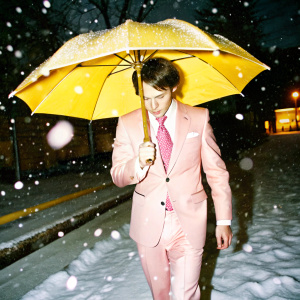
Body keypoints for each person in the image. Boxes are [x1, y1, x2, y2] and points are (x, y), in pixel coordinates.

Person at [110, 57, 233, 299]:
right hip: (148, 225)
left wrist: (223, 220)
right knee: (161, 294)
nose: (153, 105)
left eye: (160, 96)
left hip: (188, 221)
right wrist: (137, 162)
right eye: (145, 98)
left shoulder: (198, 117)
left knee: (185, 294)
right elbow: (117, 176)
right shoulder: (127, 123)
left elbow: (217, 172)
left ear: (173, 87)